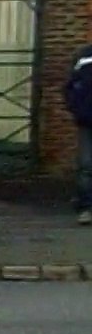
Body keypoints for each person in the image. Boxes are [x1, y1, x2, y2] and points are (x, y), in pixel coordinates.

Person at [62, 46, 92, 225]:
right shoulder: (85, 56)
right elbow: (70, 86)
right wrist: (77, 108)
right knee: (86, 165)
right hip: (87, 120)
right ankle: (86, 207)